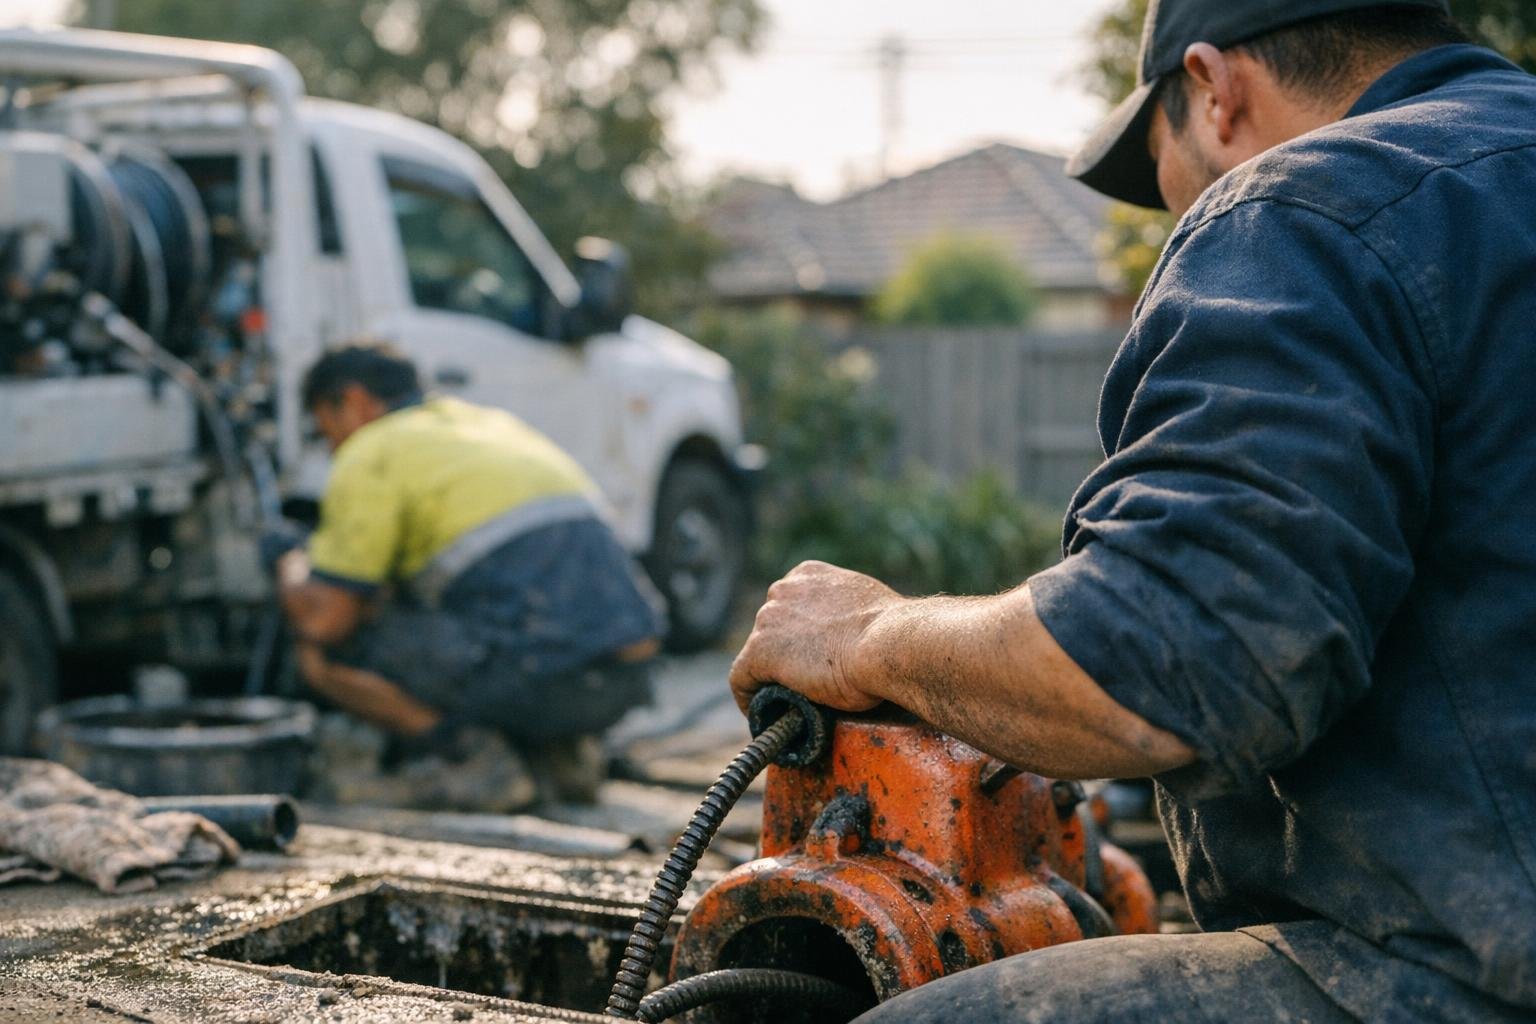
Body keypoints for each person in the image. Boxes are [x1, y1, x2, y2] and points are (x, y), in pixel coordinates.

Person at [729, 2, 1536, 1021]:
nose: (1176, 216)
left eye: (1165, 167)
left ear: (1213, 87)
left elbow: (1170, 660)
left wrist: (867, 636)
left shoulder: (1309, 202)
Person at [269, 342, 664, 806]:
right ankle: (560, 755)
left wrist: (288, 563)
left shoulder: (371, 450)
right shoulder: (490, 424)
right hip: (630, 674)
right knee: (491, 614)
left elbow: (326, 620)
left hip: (546, 680)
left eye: (325, 430)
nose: (331, 447)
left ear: (353, 402)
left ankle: (477, 764)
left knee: (328, 653)